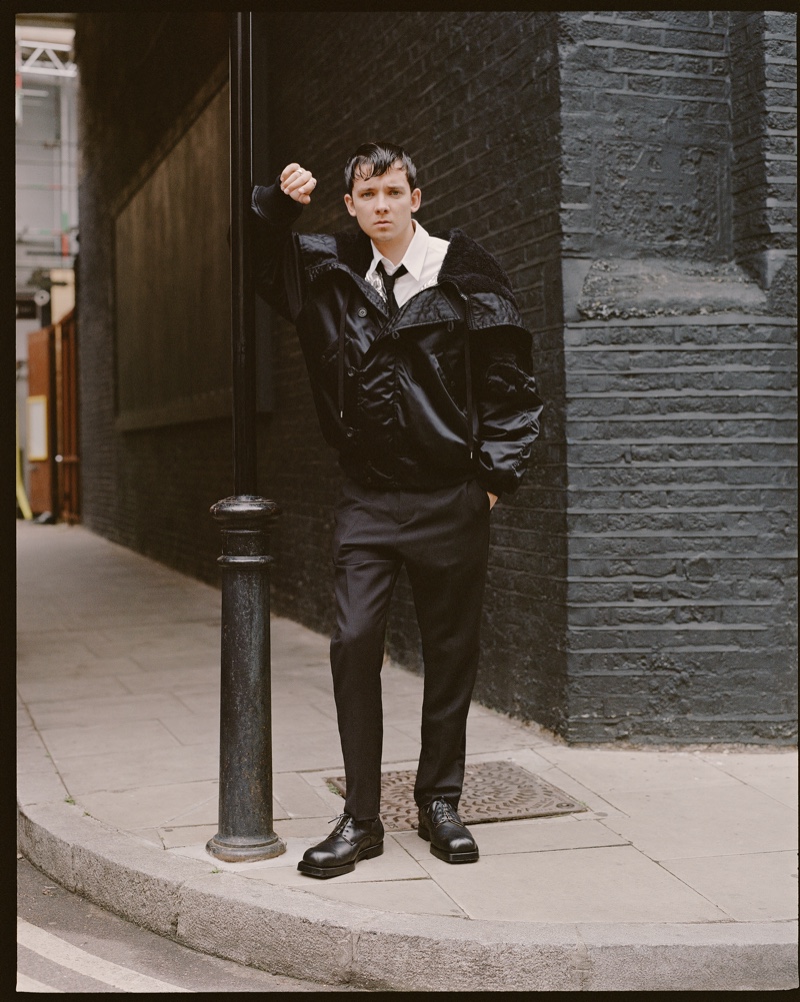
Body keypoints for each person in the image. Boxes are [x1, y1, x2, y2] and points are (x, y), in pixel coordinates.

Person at [251, 142, 542, 879]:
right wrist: (279, 207)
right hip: (369, 498)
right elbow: (256, 263)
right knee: (352, 643)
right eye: (366, 195)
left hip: (451, 497)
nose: (380, 205)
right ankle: (361, 818)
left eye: (392, 191)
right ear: (348, 206)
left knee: (450, 657)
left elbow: (512, 386)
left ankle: (440, 803)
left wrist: (492, 481)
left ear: (416, 195)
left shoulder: (466, 274)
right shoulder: (327, 274)